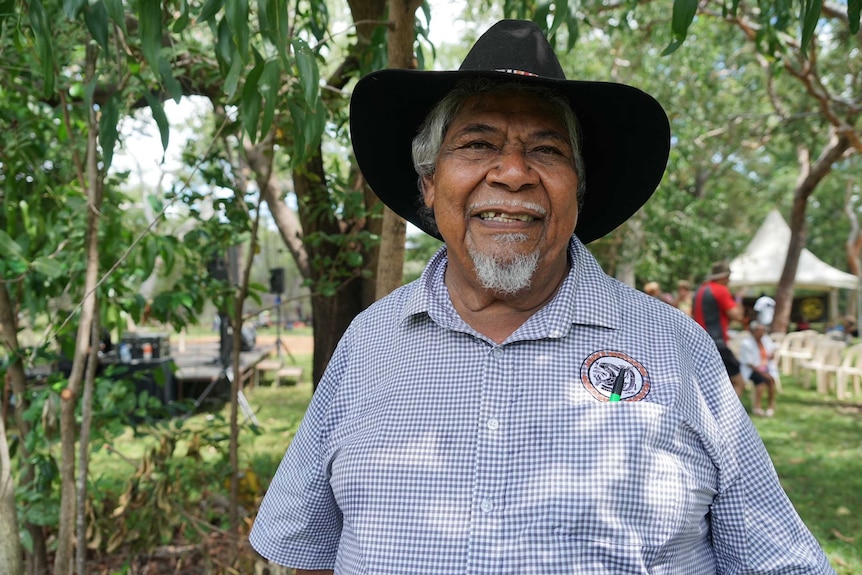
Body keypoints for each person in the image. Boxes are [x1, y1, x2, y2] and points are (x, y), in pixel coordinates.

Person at [249, 20, 833, 574]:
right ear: (429, 184)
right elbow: (311, 548)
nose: (512, 172)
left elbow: (776, 558)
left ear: (577, 188)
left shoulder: (677, 349)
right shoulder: (368, 343)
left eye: (547, 150)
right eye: (477, 144)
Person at [692, 261, 748, 398]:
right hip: (717, 344)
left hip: (697, 344)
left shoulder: (699, 291)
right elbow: (738, 315)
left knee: (708, 387)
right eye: (728, 277)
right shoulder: (720, 290)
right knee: (738, 382)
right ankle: (731, 418)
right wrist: (739, 298)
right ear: (724, 277)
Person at [738, 320, 778, 417]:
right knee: (762, 381)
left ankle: (770, 405)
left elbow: (774, 347)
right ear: (753, 331)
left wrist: (772, 353)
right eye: (758, 331)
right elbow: (749, 363)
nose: (761, 333)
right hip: (752, 369)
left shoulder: (765, 340)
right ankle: (758, 406)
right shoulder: (746, 343)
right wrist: (762, 373)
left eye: (762, 331)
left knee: (771, 380)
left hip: (766, 368)